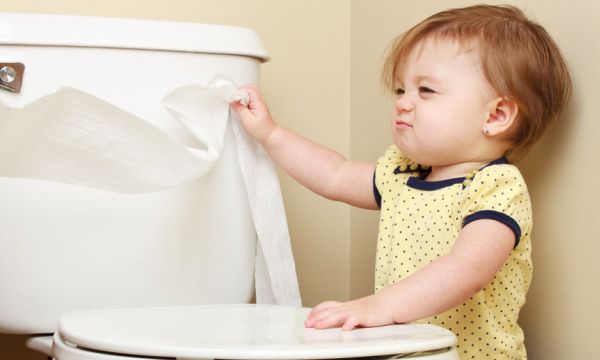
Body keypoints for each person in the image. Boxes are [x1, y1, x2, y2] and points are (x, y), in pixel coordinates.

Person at [231, 4, 571, 359]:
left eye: (426, 91)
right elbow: (335, 173)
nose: (403, 104)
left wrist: (382, 306)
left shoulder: (495, 186)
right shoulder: (402, 172)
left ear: (496, 115)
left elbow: (469, 268)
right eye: (399, 90)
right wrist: (270, 135)